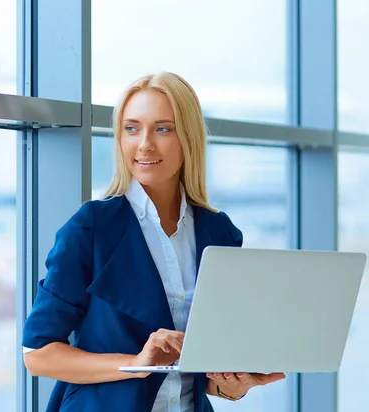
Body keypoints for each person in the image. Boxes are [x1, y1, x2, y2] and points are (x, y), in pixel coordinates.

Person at [21, 72, 285, 412]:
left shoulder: (219, 233)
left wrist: (233, 385)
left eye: (163, 129)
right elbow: (38, 354)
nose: (144, 144)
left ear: (188, 138)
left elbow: (202, 370)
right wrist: (137, 362)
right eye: (132, 128)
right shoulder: (92, 227)